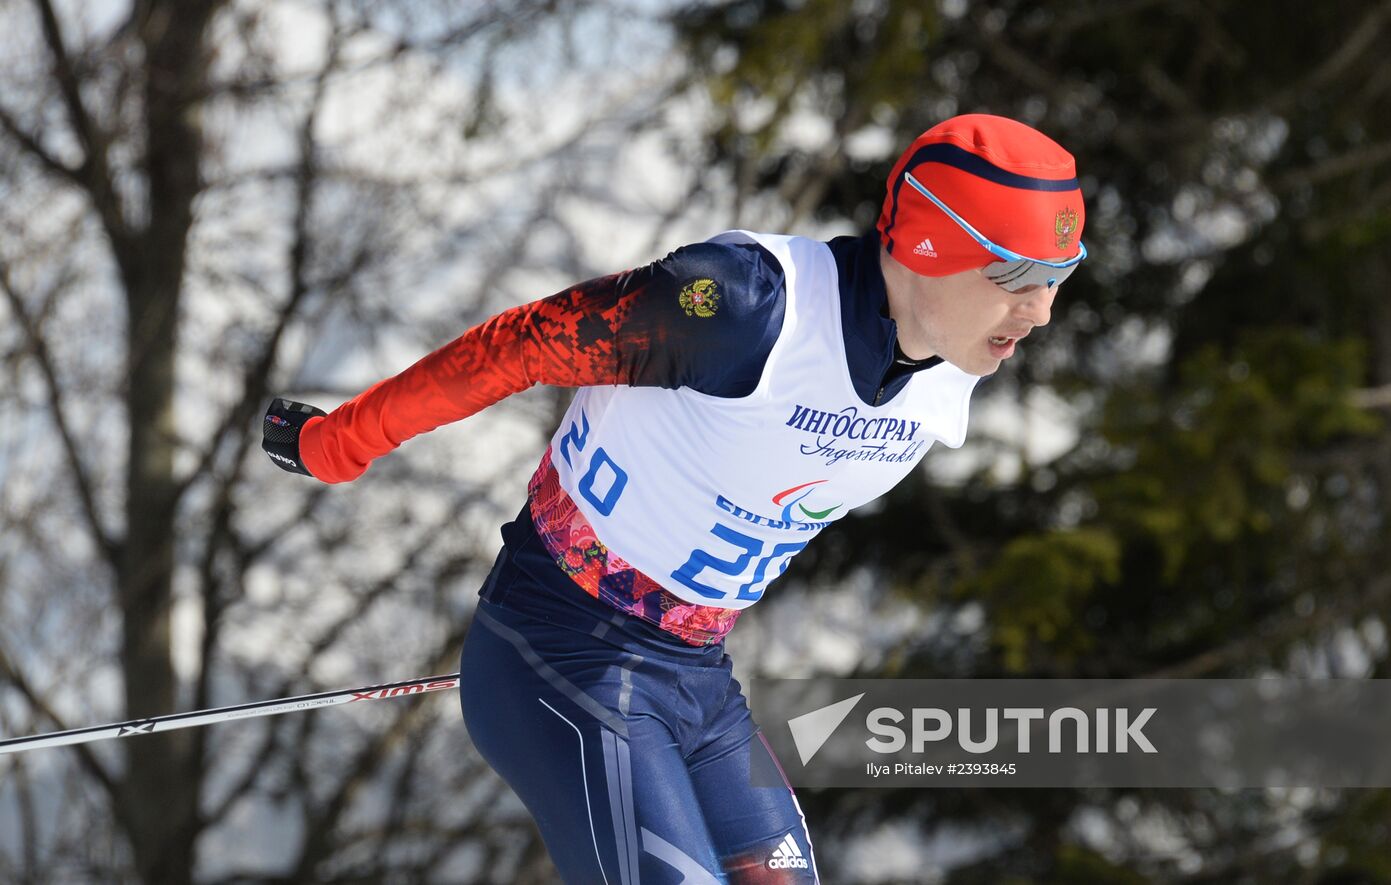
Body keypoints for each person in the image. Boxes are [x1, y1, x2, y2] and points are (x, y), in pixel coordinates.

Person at [262, 114, 1086, 884]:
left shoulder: (950, 366)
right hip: (560, 650)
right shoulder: (744, 308)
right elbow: (524, 344)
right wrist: (339, 441)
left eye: (1060, 275)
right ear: (933, 243)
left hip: (698, 682)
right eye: (1015, 273)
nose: (1041, 309)